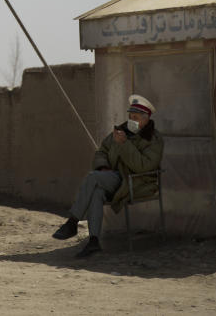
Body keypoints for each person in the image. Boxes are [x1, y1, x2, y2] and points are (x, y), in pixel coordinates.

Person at [51, 94, 163, 257]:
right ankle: (94, 241)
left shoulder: (153, 139)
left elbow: (143, 167)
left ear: (146, 119)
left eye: (136, 117)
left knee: (92, 178)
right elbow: (101, 151)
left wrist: (125, 144)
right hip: (115, 178)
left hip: (137, 182)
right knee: (96, 191)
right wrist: (103, 167)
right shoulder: (121, 131)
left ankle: (73, 221)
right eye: (130, 116)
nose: (132, 120)